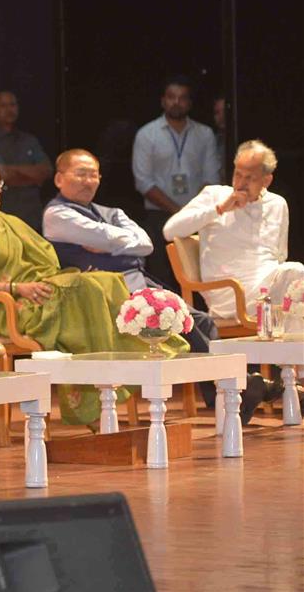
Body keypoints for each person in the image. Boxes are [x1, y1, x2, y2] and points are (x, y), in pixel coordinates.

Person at [0, 154, 189, 425]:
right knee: (84, 288)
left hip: (36, 292)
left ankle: (134, 361)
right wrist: (16, 286)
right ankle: (101, 389)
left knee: (104, 281)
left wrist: (35, 282)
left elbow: (45, 256)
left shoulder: (6, 221)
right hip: (2, 308)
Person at [42, 148, 272, 422]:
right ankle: (240, 387)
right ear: (59, 179)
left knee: (201, 321)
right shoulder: (57, 214)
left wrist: (110, 244)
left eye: (93, 175)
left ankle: (226, 399)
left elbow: (146, 244)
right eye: (81, 174)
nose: (88, 181)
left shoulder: (110, 212)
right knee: (184, 326)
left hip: (139, 286)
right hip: (102, 296)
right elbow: (114, 238)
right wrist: (121, 242)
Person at [164, 140, 303, 320]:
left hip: (267, 289)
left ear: (266, 180)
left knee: (295, 280)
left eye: (249, 178)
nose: (241, 183)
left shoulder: (277, 204)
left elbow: (280, 254)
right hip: (230, 291)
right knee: (296, 274)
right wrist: (219, 209)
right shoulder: (215, 195)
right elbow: (169, 231)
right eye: (238, 174)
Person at [131, 76, 218, 286]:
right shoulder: (147, 134)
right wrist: (179, 212)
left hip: (198, 216)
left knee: (199, 273)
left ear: (189, 102)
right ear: (163, 101)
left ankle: (198, 317)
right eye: (172, 97)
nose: (176, 102)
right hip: (159, 216)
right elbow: (143, 182)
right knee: (163, 275)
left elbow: (211, 177)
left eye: (182, 98)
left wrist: (192, 211)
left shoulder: (204, 134)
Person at [0, 89, 53, 232]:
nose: (9, 110)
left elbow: (47, 171)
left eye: (12, 105)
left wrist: (14, 171)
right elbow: (1, 174)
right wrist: (32, 177)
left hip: (32, 215)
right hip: (4, 212)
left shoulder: (29, 140)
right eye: (3, 106)